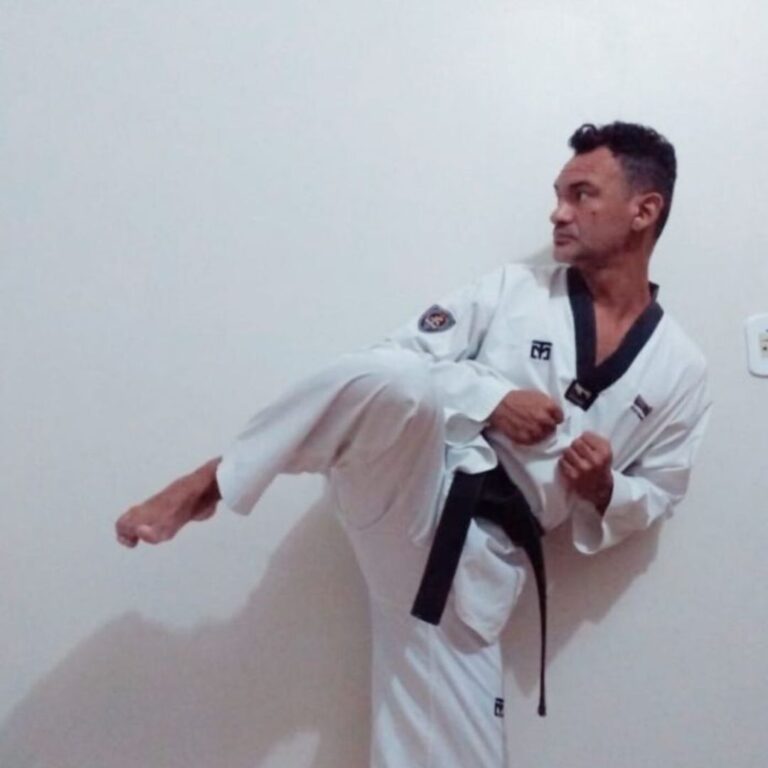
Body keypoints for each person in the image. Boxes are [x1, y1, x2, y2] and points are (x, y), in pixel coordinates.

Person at [115, 122, 711, 768]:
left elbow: (659, 494)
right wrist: (491, 399)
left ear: (643, 210)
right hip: (417, 485)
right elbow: (388, 361)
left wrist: (605, 488)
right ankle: (217, 478)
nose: (557, 213)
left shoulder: (680, 368)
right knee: (397, 382)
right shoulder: (513, 290)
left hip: (483, 569)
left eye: (581, 194)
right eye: (558, 194)